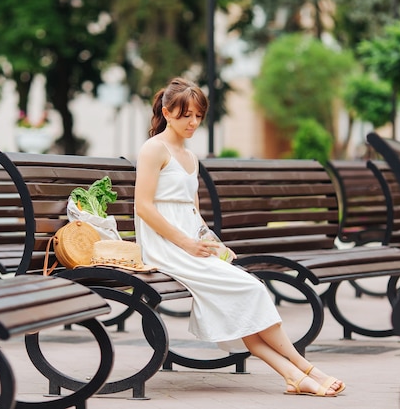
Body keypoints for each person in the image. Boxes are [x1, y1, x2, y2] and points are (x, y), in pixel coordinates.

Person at [134, 77, 345, 397]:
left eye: (197, 116)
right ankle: (305, 366)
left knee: (243, 295)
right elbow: (144, 207)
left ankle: (293, 375)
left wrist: (213, 241)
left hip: (190, 242)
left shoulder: (190, 157)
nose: (192, 122)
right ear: (166, 112)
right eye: (185, 115)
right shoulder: (153, 149)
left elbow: (194, 214)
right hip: (164, 245)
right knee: (250, 288)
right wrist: (187, 243)